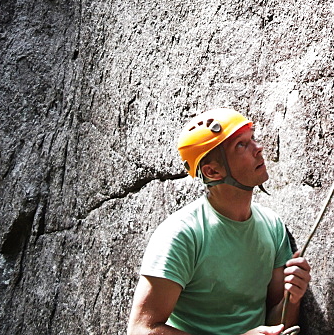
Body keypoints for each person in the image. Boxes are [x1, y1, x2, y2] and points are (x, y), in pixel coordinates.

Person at [127, 108, 311, 335]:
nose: (258, 148)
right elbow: (141, 329)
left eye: (252, 138)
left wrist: (292, 299)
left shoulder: (272, 226)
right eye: (241, 145)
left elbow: (277, 320)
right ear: (213, 171)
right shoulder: (183, 235)